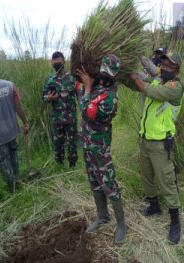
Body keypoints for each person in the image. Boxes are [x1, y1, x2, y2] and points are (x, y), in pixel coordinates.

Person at [130, 52, 183, 244]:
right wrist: (139, 61)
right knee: (147, 177)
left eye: (169, 65)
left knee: (166, 181)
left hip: (161, 143)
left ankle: (175, 221)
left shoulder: (175, 87)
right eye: (163, 63)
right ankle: (154, 206)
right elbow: (151, 74)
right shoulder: (158, 79)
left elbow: (150, 92)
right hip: (145, 140)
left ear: (176, 69)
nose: (164, 67)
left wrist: (136, 79)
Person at [77, 54, 126, 244]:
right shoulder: (98, 85)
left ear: (115, 76)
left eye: (110, 74)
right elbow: (80, 91)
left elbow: (86, 112)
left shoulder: (110, 97)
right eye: (104, 71)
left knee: (109, 184)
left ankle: (121, 224)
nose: (106, 76)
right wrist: (85, 84)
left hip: (100, 148)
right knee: (94, 181)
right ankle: (102, 216)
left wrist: (87, 88)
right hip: (87, 144)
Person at [0, 60, 29, 193]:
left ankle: (14, 189)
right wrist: (25, 122)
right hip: (12, 130)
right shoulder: (10, 85)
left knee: (3, 161)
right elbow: (18, 108)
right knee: (14, 156)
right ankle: (18, 182)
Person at [43, 51, 78, 168]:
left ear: (64, 61)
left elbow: (79, 95)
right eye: (55, 62)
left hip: (71, 117)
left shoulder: (72, 78)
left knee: (72, 142)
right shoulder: (50, 79)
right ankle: (59, 163)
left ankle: (73, 164)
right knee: (58, 143)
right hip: (57, 118)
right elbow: (44, 97)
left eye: (59, 61)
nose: (57, 64)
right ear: (52, 63)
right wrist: (48, 98)